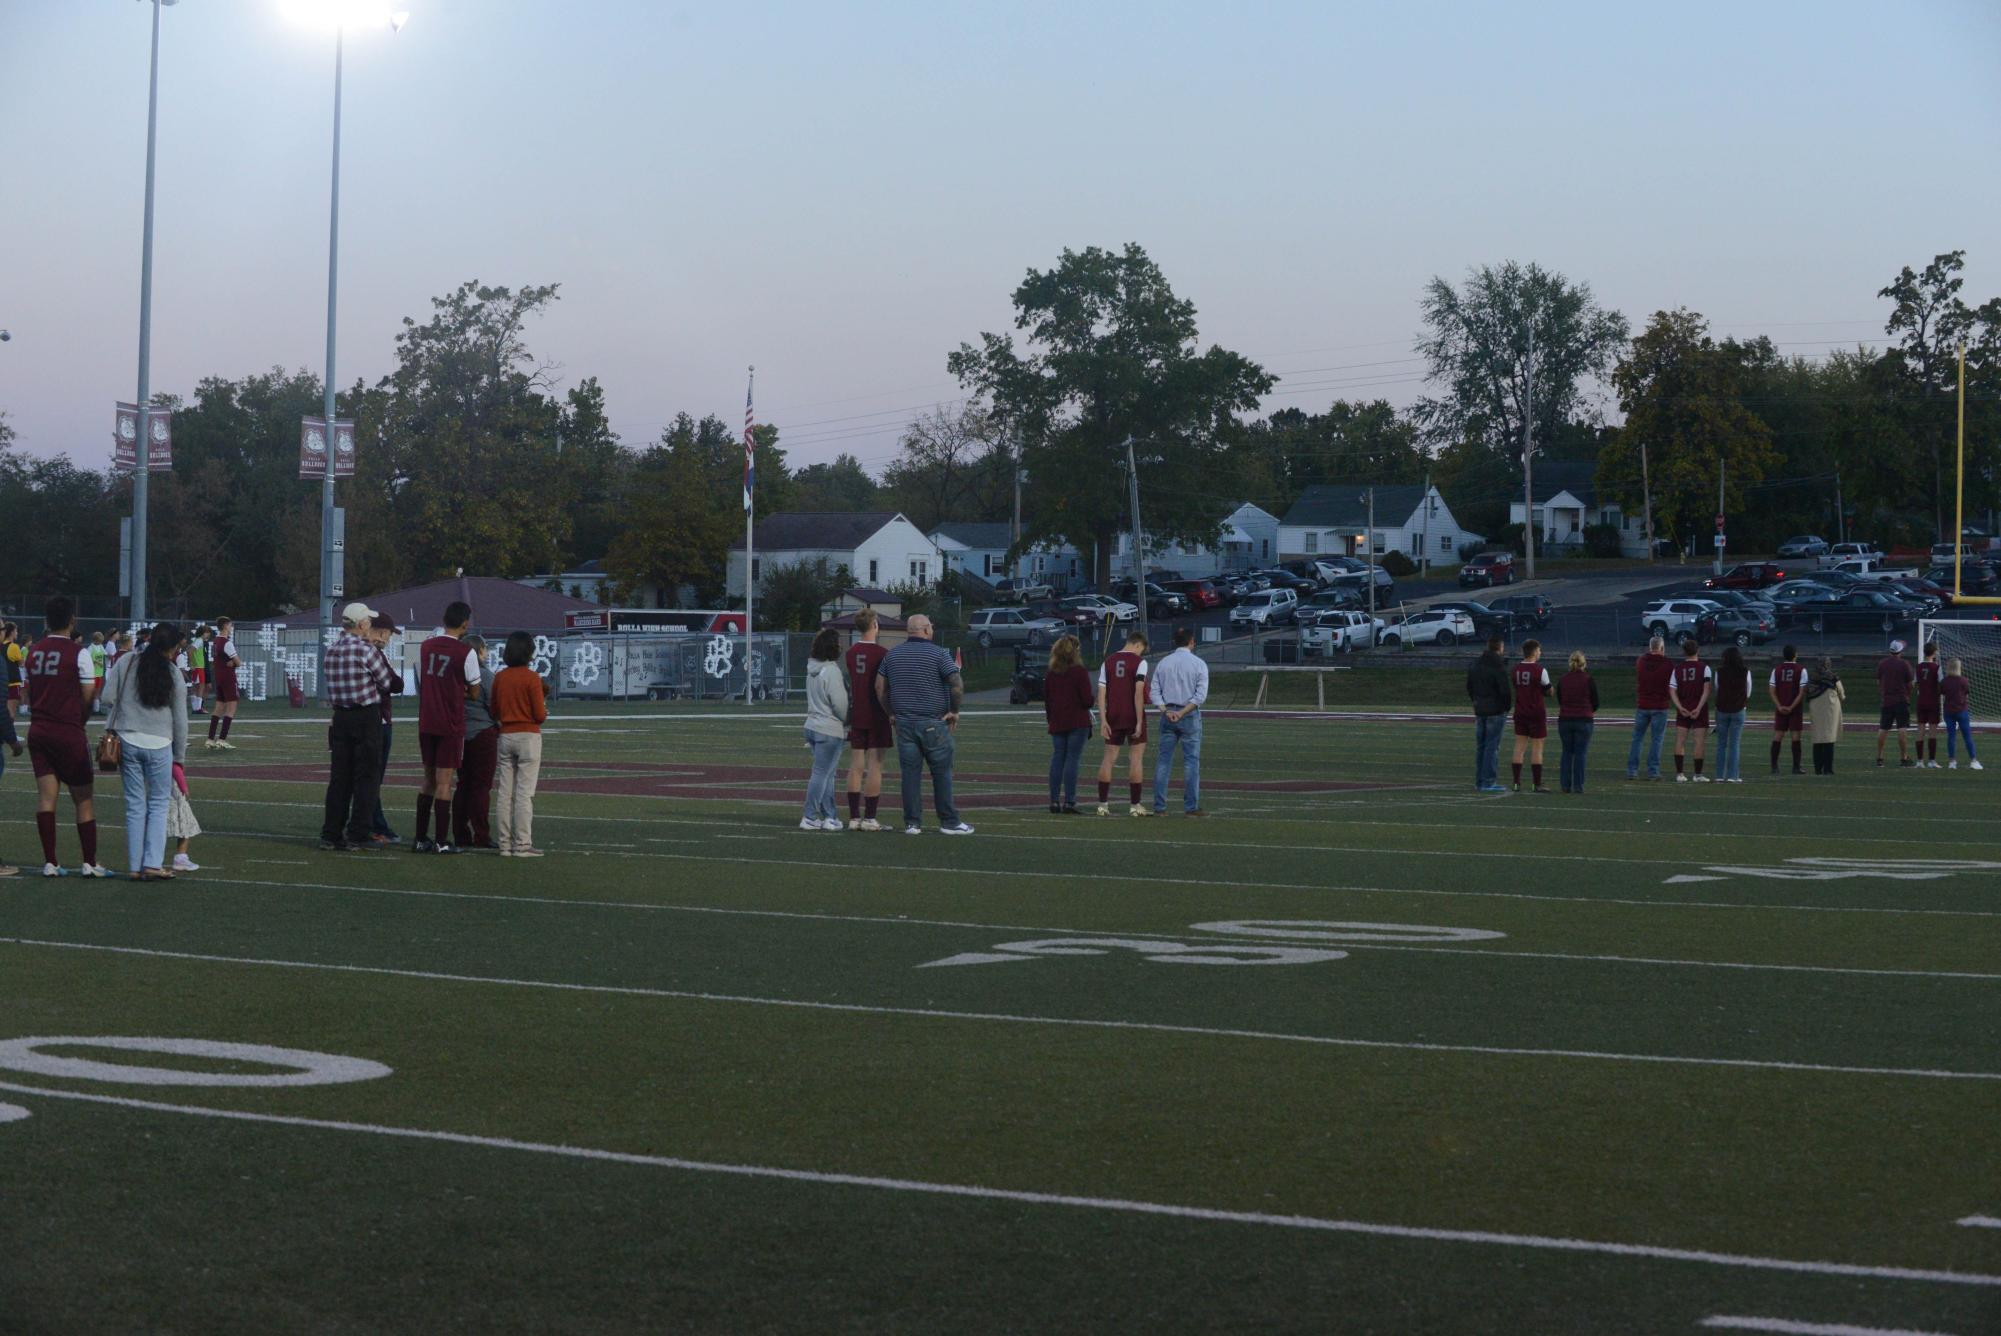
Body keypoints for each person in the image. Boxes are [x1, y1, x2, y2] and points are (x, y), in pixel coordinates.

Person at [25, 597, 108, 877]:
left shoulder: (33, 652)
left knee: (46, 798)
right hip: (67, 730)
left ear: (46, 621)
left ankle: (51, 862)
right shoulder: (78, 653)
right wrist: (78, 721)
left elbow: (29, 692)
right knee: (83, 800)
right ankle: (90, 862)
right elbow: (88, 695)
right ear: (72, 621)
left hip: (38, 730)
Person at [100, 623, 189, 881]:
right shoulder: (173, 674)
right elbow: (181, 721)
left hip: (127, 738)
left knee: (135, 805)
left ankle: (135, 867)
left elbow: (107, 697)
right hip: (161, 743)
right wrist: (179, 758)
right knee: (159, 805)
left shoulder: (127, 661)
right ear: (172, 648)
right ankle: (153, 863)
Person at [873, 613, 973, 835]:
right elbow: (956, 683)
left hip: (904, 723)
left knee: (909, 775)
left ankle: (912, 822)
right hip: (932, 722)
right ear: (926, 629)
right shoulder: (939, 654)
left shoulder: (893, 655)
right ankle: (949, 821)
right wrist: (954, 711)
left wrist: (890, 712)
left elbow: (879, 688)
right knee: (942, 773)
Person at [319, 600, 396, 852]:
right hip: (365, 717)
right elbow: (387, 683)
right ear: (362, 624)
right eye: (369, 622)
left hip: (340, 718)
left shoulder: (331, 650)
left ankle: (331, 833)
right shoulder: (365, 650)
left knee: (340, 779)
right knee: (366, 778)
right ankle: (358, 833)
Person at [413, 600, 481, 854]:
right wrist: (460, 689)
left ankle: (421, 838)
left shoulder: (427, 645)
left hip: (427, 720)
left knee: (427, 781)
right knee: (444, 783)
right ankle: (441, 841)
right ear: (465, 623)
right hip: (450, 722)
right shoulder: (467, 652)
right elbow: (474, 690)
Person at [492, 629, 549, 856]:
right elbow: (540, 715)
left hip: (505, 735)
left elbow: (493, 709)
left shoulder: (500, 677)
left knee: (505, 793)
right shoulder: (532, 677)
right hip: (528, 736)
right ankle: (522, 844)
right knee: (524, 793)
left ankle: (504, 844)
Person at [1151, 626, 1209, 816]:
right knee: (1191, 762)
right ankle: (1190, 806)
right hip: (1189, 715)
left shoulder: (1163, 663)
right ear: (1191, 641)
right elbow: (1200, 696)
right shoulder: (1198, 663)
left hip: (1168, 714)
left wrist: (1166, 711)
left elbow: (1154, 692)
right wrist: (1182, 712)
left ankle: (1159, 806)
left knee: (1163, 762)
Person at [842, 609, 891, 831]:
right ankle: (870, 817)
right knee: (875, 766)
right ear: (874, 625)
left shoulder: (851, 653)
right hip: (877, 713)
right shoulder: (883, 653)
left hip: (857, 711)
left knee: (855, 765)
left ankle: (853, 817)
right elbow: (882, 686)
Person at [1094, 631, 1150, 817]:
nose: (1140, 653)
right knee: (1136, 759)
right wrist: (1139, 721)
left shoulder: (1108, 661)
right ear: (1137, 645)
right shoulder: (1139, 662)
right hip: (1132, 714)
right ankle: (1135, 805)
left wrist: (1103, 720)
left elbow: (1101, 694)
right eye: (1141, 650)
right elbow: (1138, 692)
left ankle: (1103, 804)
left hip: (1113, 714)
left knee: (1108, 759)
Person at [451, 635, 500, 850]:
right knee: (481, 787)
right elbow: (494, 705)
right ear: (479, 651)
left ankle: (460, 833)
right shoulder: (486, 675)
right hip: (482, 732)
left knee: (463, 785)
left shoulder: (453, 674)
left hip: (459, 733)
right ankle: (481, 834)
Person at [801, 627, 849, 831]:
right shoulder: (831, 670)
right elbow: (839, 704)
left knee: (827, 774)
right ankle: (810, 816)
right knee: (822, 774)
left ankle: (830, 815)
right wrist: (847, 719)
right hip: (829, 728)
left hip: (812, 725)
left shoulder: (812, 668)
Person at [1042, 634, 1094, 814]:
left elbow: (1047, 700)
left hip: (1057, 721)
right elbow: (1087, 700)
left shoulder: (1051, 674)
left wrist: (1051, 719)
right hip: (1077, 721)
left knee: (1057, 759)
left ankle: (1054, 800)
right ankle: (1070, 801)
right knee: (1072, 760)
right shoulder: (1079, 672)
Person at [364, 615, 401, 844]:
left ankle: (373, 823)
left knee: (366, 778)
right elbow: (395, 683)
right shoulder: (371, 653)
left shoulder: (345, 650)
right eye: (388, 633)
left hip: (361, 719)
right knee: (371, 778)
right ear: (381, 631)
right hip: (376, 720)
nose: (388, 639)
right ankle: (372, 825)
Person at [1465, 635, 1510, 793]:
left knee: (1482, 746)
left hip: (1480, 708)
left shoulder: (1476, 664)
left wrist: (1475, 701)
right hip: (1495, 710)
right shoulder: (1498, 665)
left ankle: (1480, 781)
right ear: (1499, 648)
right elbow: (1504, 690)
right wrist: (1505, 707)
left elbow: (1469, 685)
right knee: (1492, 747)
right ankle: (1488, 781)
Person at [1627, 635, 1673, 781]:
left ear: (1650, 647)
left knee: (1637, 739)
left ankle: (1632, 771)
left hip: (1643, 704)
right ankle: (1653, 771)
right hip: (1659, 705)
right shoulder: (1668, 664)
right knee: (1656, 739)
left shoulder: (1641, 661)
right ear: (1662, 648)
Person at [1509, 639, 1552, 792]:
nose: (1540, 653)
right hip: (1536, 712)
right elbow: (1549, 691)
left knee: (1519, 747)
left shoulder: (1515, 669)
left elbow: (1517, 687)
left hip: (1520, 711)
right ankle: (1536, 783)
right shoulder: (1540, 670)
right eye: (1539, 650)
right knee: (1537, 748)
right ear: (1534, 652)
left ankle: (1516, 782)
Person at [1669, 638, 1714, 782]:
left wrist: (1680, 707)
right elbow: (1706, 691)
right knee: (1699, 741)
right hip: (1699, 709)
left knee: (1680, 740)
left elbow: (1672, 690)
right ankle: (1698, 774)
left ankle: (1680, 774)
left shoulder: (1677, 669)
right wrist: (1698, 708)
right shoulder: (1705, 668)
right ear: (1698, 650)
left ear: (1684, 652)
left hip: (1684, 708)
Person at [1556, 650, 1599, 795]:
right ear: (1584, 663)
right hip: (1584, 720)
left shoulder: (1563, 679)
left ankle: (1565, 785)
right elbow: (1596, 702)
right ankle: (1578, 786)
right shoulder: (1588, 679)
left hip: (1565, 720)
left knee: (1567, 753)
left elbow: (1560, 699)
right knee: (1580, 754)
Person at [1713, 645, 1752, 784]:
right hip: (1738, 709)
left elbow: (1717, 689)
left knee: (1721, 744)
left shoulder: (1719, 671)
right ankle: (1732, 775)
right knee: (1734, 744)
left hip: (1722, 709)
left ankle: (1719, 775)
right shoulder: (1745, 671)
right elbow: (1748, 691)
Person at [1876, 639, 1916, 768]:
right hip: (1901, 700)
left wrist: (1884, 693)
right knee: (1902, 728)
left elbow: (1879, 682)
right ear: (1900, 651)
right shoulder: (1905, 664)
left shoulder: (1882, 663)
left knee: (1883, 728)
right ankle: (1903, 757)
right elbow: (1910, 684)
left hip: (1887, 700)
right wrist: (1907, 695)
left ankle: (1880, 757)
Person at [204, 617, 244, 750]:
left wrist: (231, 662)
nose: (231, 627)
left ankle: (210, 739)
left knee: (218, 708)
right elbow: (238, 662)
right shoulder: (227, 643)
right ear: (226, 626)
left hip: (219, 677)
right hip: (228, 677)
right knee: (231, 709)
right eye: (230, 625)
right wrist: (234, 662)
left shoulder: (215, 642)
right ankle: (222, 739)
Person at [1768, 644, 1807, 775]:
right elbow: (1801, 693)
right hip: (1794, 709)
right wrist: (1791, 706)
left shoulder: (1776, 670)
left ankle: (1774, 766)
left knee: (1778, 736)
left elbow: (1772, 690)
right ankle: (1796, 767)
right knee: (1795, 737)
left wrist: (1779, 705)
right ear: (1795, 654)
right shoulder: (1801, 670)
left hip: (1781, 707)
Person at [1805, 657, 1845, 774]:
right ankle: (1828, 769)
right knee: (1829, 739)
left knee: (1817, 739)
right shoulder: (1833, 677)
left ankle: (1818, 769)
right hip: (1831, 710)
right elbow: (1841, 693)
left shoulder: (1812, 678)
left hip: (1815, 710)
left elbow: (1808, 693)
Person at [1941, 657, 1982, 770]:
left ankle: (1952, 762)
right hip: (1961, 710)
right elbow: (1966, 693)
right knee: (1967, 736)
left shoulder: (1945, 681)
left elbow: (1943, 692)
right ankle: (1973, 760)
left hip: (1949, 711)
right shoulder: (1963, 680)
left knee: (1951, 736)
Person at [168, 758, 201, 873]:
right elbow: (175, 766)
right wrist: (184, 787)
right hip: (173, 793)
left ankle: (149, 859)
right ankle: (180, 857)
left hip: (160, 788)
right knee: (184, 824)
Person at [1914, 642, 1943, 768]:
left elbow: (1916, 683)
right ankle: (1931, 761)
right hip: (1933, 702)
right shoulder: (1937, 667)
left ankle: (1920, 761)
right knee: (1932, 731)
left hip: (1921, 701)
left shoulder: (1918, 667)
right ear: (1934, 652)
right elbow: (1940, 683)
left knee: (1920, 729)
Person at [4, 622, 24, 720]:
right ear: (11, 632)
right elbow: (21, 663)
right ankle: (9, 734)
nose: (17, 633)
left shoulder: (1, 645)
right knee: (11, 712)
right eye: (16, 631)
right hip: (13, 683)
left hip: (3, 683)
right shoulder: (14, 647)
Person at [187, 626, 208, 714]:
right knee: (201, 686)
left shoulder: (197, 640)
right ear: (203, 633)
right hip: (198, 667)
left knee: (196, 686)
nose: (208, 634)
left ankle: (196, 708)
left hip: (198, 666)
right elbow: (190, 651)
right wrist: (192, 663)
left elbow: (189, 649)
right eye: (207, 632)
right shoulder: (199, 640)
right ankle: (197, 708)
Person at [88, 632, 108, 714]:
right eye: (99, 641)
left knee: (98, 691)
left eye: (101, 641)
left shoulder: (100, 646)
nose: (100, 643)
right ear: (94, 640)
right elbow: (88, 659)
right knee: (92, 691)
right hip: (93, 673)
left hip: (99, 673)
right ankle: (91, 708)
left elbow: (106, 654)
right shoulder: (90, 648)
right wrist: (95, 662)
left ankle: (97, 709)